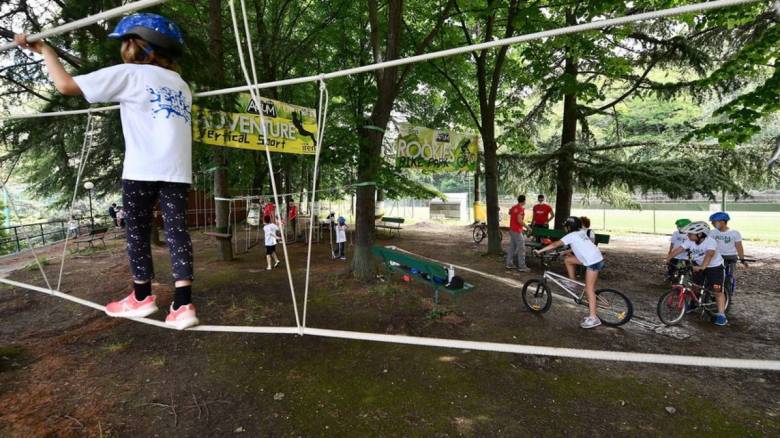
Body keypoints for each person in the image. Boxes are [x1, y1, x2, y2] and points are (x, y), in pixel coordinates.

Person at [16, 13, 198, 329]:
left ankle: (142, 297)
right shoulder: (182, 85)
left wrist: (46, 50)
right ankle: (183, 306)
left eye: (126, 42)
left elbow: (65, 85)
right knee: (176, 231)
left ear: (136, 45)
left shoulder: (131, 74)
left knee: (137, 231)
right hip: (177, 171)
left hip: (142, 169)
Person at [534, 216, 605, 329]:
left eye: (566, 226)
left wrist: (540, 251)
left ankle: (593, 318)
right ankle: (573, 283)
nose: (565, 228)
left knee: (589, 289)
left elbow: (555, 244)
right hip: (593, 258)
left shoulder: (571, 235)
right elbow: (577, 246)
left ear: (569, 227)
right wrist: (564, 252)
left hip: (593, 262)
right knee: (568, 260)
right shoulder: (581, 233)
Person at [665, 221, 727, 326]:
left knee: (717, 291)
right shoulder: (690, 241)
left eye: (690, 233)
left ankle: (722, 315)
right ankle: (694, 304)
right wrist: (668, 258)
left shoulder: (710, 242)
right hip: (698, 266)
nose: (688, 235)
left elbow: (709, 255)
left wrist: (703, 266)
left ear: (700, 234)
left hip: (714, 267)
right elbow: (679, 249)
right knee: (695, 286)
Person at [708, 211, 748, 282]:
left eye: (714, 222)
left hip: (730, 256)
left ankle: (729, 286)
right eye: (712, 222)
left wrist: (742, 259)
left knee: (730, 275)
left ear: (722, 222)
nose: (712, 224)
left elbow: (739, 247)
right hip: (717, 256)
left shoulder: (734, 233)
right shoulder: (711, 233)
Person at [505, 195, 529, 272]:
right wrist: (528, 227)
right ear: (524, 201)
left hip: (512, 229)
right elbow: (519, 220)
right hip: (517, 231)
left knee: (512, 247)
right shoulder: (520, 209)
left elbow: (509, 212)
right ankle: (522, 266)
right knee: (521, 248)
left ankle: (509, 264)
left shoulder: (514, 207)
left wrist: (514, 213)